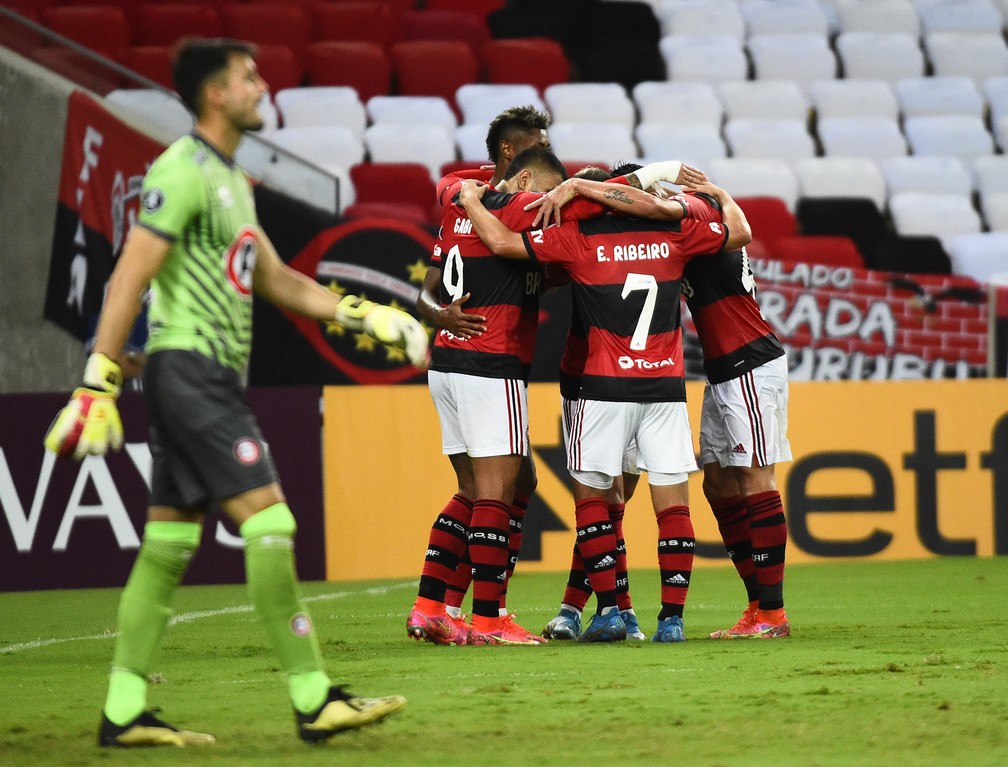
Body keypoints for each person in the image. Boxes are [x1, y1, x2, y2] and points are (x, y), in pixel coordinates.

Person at [43, 38, 427, 747]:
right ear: (215, 94)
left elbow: (277, 279)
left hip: (204, 375)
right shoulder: (182, 170)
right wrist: (97, 376)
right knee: (271, 525)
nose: (262, 87)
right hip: (192, 372)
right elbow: (129, 273)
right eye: (249, 77)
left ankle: (124, 707)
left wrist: (362, 312)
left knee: (165, 543)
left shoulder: (232, 179)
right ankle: (313, 697)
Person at [457, 170, 752, 643]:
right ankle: (672, 622)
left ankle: (612, 610)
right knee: (673, 504)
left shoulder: (576, 236)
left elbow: (504, 244)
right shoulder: (675, 233)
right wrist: (720, 193)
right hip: (664, 389)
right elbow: (738, 233)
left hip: (601, 387)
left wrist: (472, 201)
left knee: (595, 501)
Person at [407, 146, 571, 646]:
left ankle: (431, 606)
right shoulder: (515, 208)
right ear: (522, 177)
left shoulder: (458, 207)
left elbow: (430, 290)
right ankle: (489, 617)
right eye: (544, 191)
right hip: (491, 361)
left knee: (491, 488)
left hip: (449, 364)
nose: (548, 204)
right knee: (496, 494)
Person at [679, 210, 793, 639]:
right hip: (724, 371)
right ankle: (756, 604)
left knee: (755, 479)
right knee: (719, 484)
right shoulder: (701, 226)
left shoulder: (695, 229)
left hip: (750, 364)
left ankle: (773, 613)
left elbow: (738, 227)